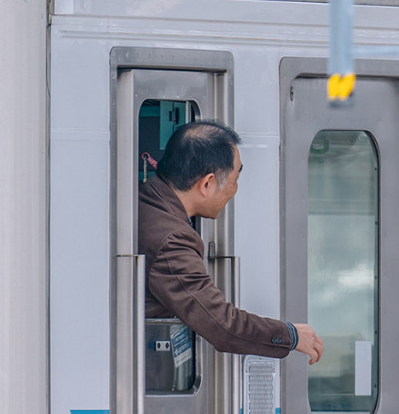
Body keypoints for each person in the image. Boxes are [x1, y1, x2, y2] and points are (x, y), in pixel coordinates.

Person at [139, 122, 324, 363]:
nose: (235, 189)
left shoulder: (144, 201)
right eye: (235, 178)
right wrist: (291, 335)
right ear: (207, 184)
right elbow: (222, 325)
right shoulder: (172, 240)